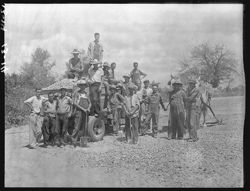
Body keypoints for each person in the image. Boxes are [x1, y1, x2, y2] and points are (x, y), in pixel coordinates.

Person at [71, 79, 91, 147]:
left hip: (86, 112)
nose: (83, 87)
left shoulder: (86, 94)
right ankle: (74, 141)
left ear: (85, 86)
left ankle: (82, 142)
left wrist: (88, 108)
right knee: (77, 127)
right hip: (79, 112)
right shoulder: (77, 93)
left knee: (84, 127)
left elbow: (90, 103)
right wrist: (83, 109)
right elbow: (74, 103)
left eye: (84, 85)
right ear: (79, 86)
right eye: (81, 85)